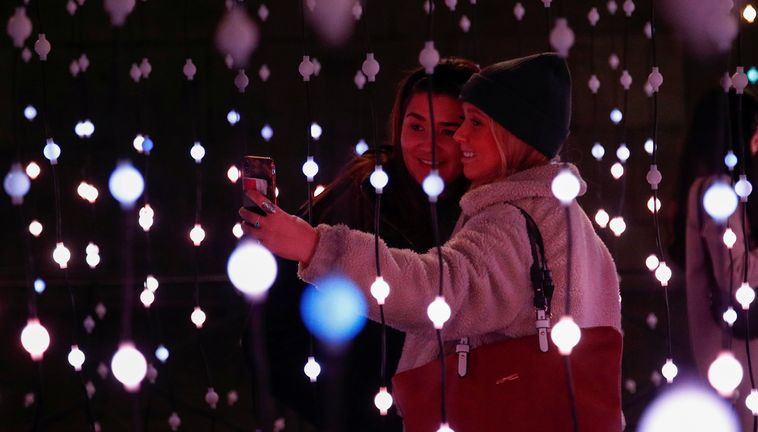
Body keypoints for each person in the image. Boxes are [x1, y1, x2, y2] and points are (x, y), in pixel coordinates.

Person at [242, 53, 622, 430]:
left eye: (470, 123)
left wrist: (316, 247)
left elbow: (435, 290)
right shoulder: (565, 216)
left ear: (511, 136)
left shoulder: (507, 220)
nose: (455, 138)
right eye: (417, 126)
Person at [262, 58, 477, 431]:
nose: (429, 146)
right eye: (416, 126)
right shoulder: (358, 199)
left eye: (448, 130)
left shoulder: (488, 217)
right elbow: (270, 329)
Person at [672, 88, 758, 431]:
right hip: (737, 348)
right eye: (755, 127)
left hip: (743, 344)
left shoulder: (725, 187)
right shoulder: (717, 191)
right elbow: (734, 271)